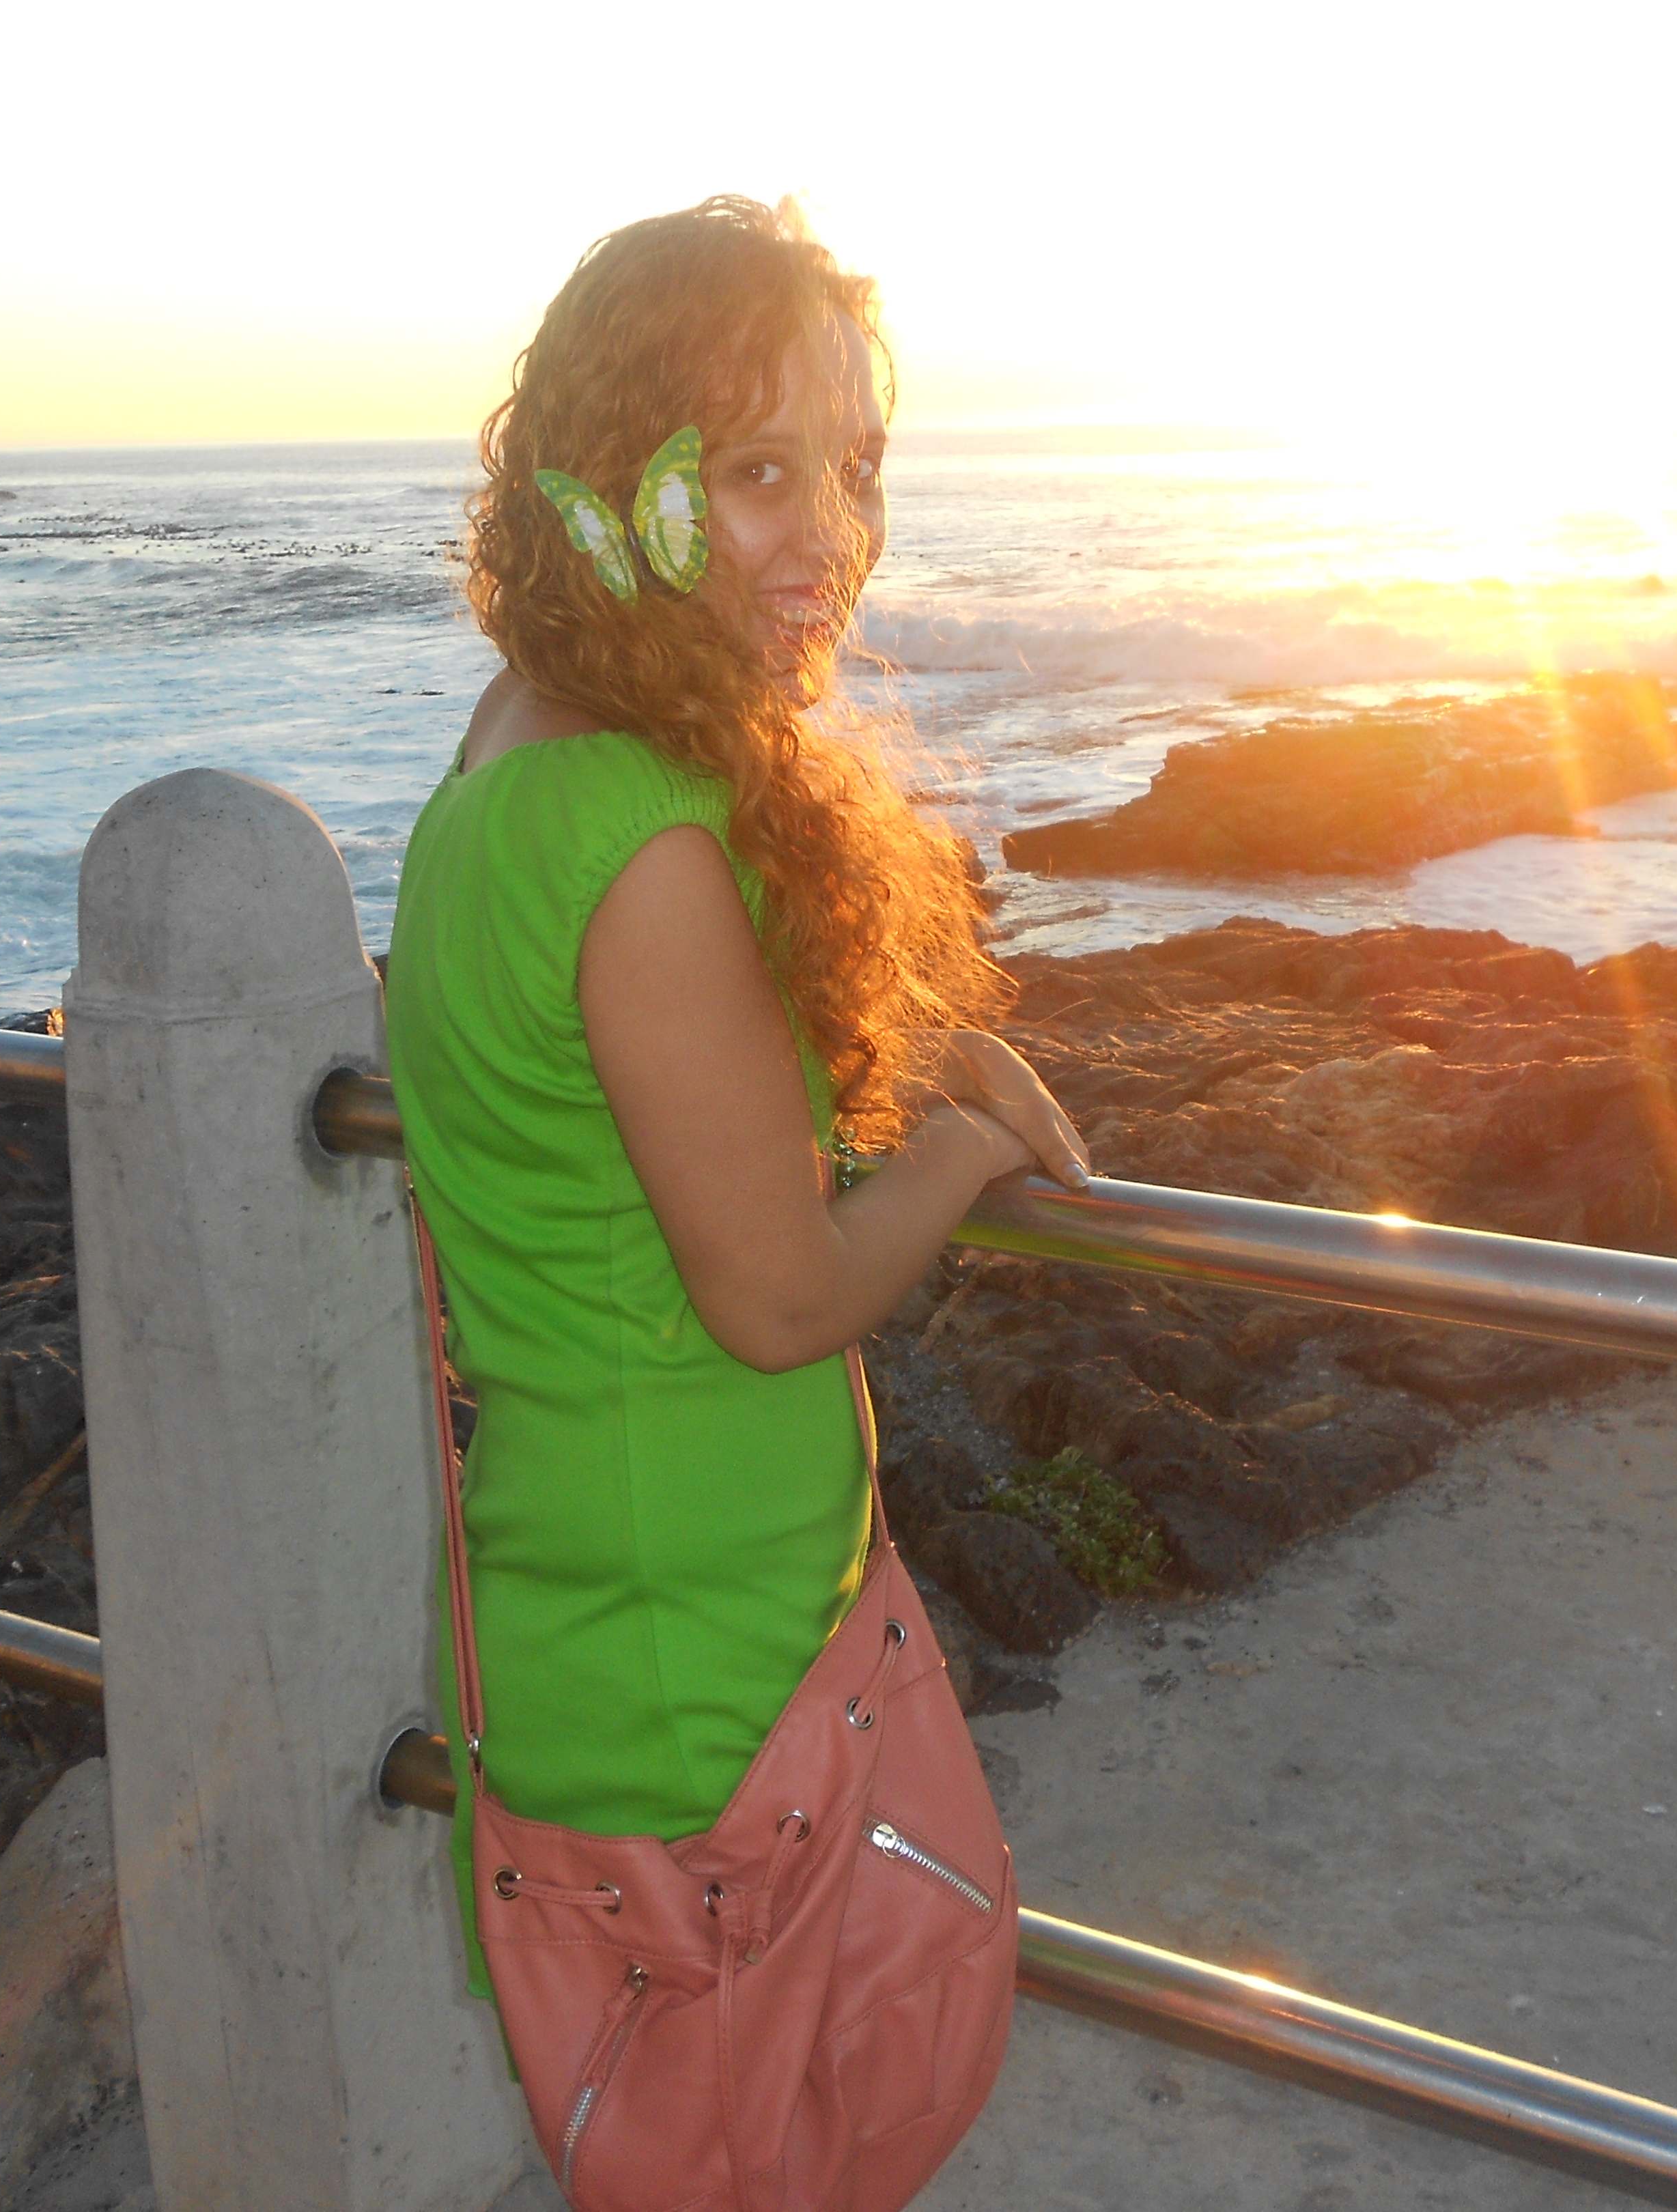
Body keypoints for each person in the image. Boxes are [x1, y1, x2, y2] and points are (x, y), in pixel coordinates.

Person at [382, 196, 1090, 2005]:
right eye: (762, 471)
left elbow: (618, 1132)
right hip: (680, 1657)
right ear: (617, 482)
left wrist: (904, 1067)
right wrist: (974, 1141)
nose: (834, 536)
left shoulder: (511, 758)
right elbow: (777, 1299)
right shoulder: (643, 841)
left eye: (852, 470)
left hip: (623, 1594)